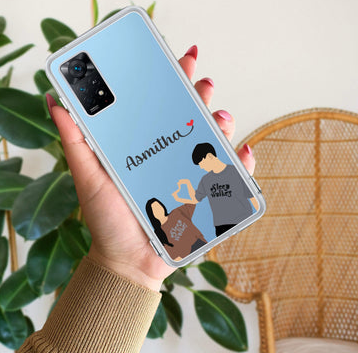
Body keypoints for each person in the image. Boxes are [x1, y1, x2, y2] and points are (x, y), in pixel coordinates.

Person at [18, 45, 256, 353]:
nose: (157, 210)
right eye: (154, 209)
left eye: (157, 207)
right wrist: (128, 268)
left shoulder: (181, 211)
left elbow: (193, 200)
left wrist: (126, 267)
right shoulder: (166, 229)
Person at [173, 142, 260, 237]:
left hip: (244, 220)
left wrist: (260, 214)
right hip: (221, 227)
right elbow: (195, 199)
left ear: (209, 156)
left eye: (202, 163)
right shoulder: (206, 180)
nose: (201, 167)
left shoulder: (235, 172)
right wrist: (187, 185)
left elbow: (252, 197)